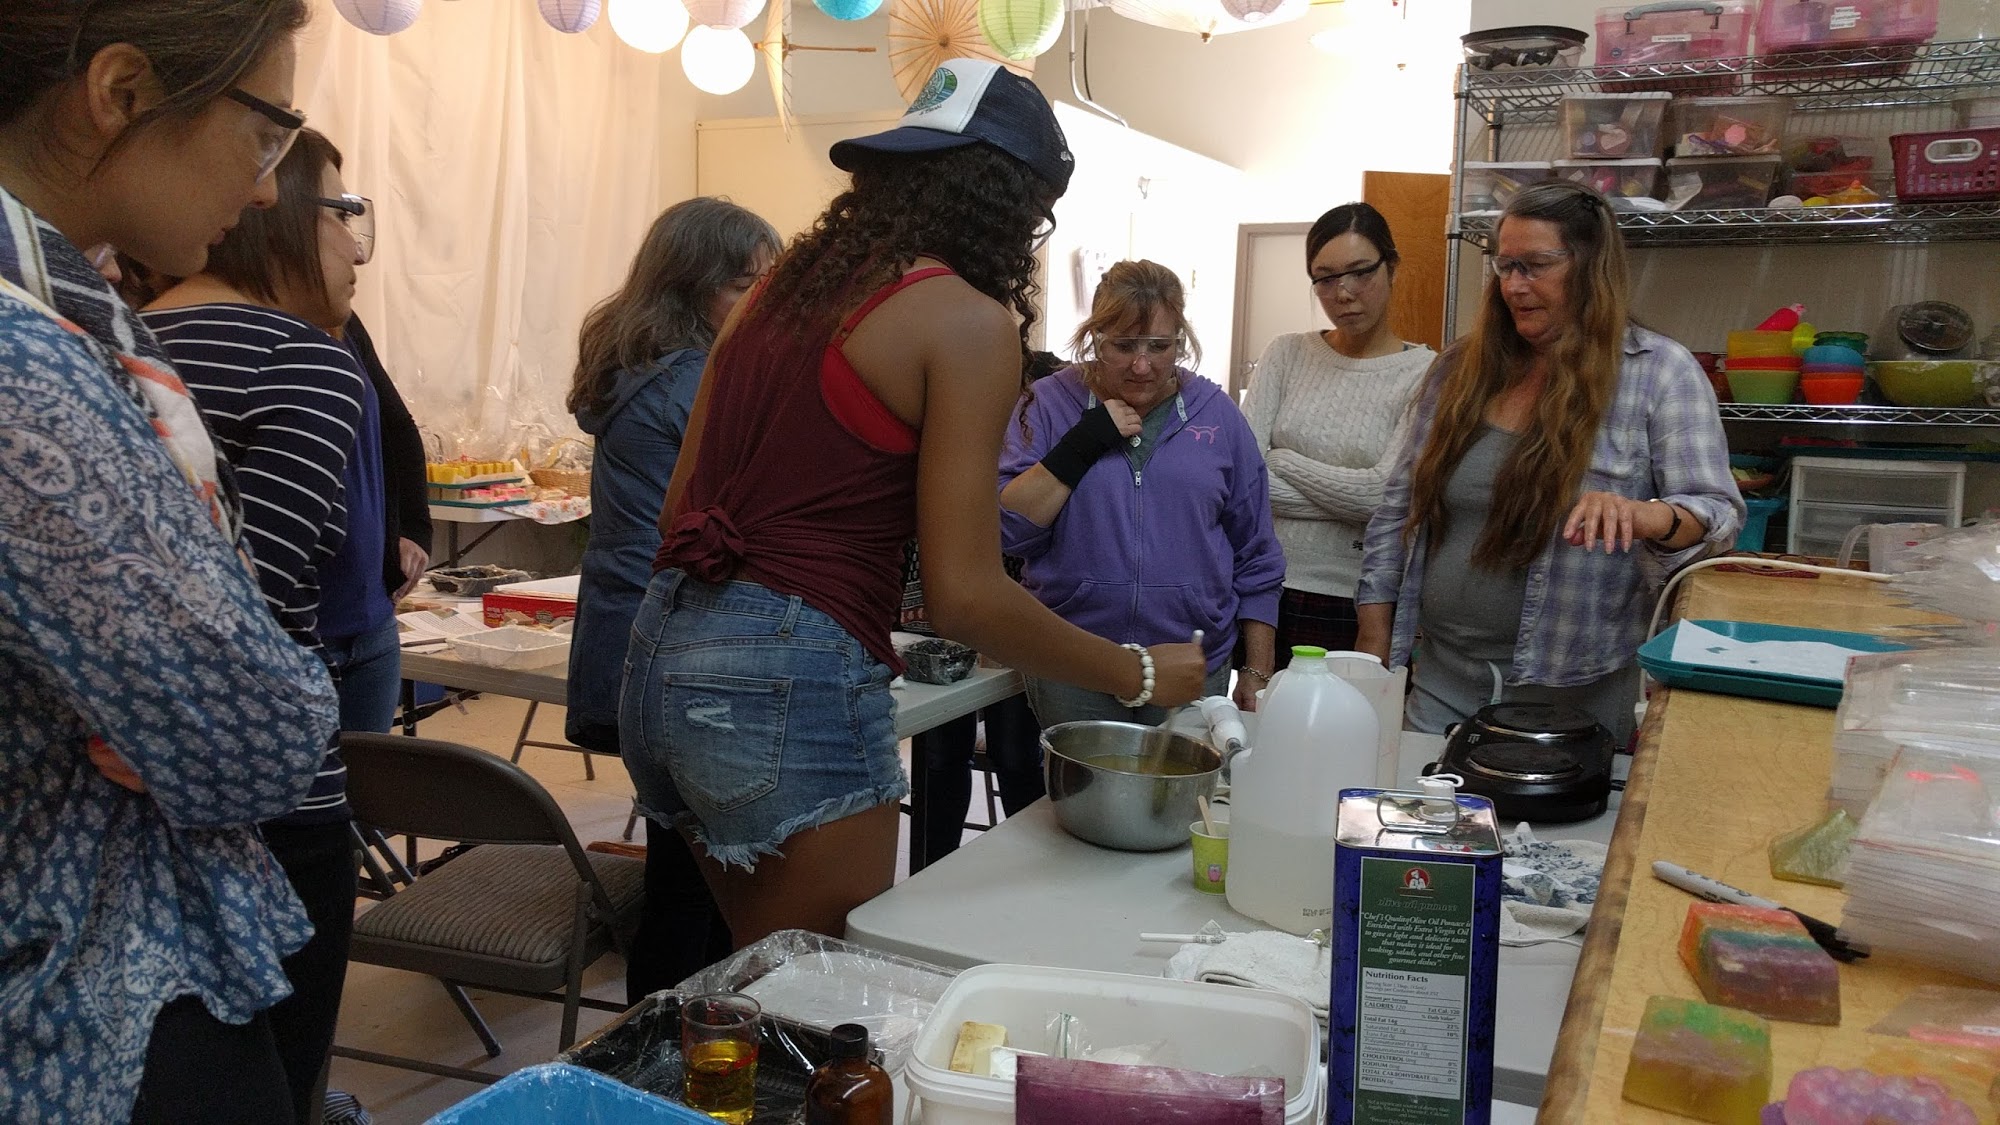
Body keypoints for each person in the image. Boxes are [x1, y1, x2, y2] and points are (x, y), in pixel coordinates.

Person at [621, 58, 1206, 948]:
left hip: (661, 650)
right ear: (1008, 204)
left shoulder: (771, 296)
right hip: (787, 672)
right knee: (822, 991)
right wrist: (1140, 672)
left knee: (758, 970)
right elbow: (965, 594)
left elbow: (678, 514)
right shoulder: (963, 321)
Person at [0, 4, 339, 1122]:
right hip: (85, 992)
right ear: (122, 90)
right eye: (268, 133)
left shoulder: (79, 320)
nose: (265, 190)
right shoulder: (28, 367)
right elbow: (256, 735)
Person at [142, 127, 370, 1125]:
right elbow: (253, 613)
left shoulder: (107, 333)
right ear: (273, 214)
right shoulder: (304, 360)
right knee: (276, 1076)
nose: (357, 248)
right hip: (268, 798)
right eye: (343, 213)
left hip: (121, 782)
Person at [1355, 182, 1743, 744]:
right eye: (1504, 266)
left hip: (1574, 699)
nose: (1514, 286)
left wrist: (1648, 515)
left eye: (1535, 266)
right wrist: (1374, 647)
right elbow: (1398, 510)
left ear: (1589, 266)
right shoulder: (1462, 368)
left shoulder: (1659, 372)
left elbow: (1719, 516)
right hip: (1440, 682)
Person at [564, 196, 781, 999]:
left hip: (634, 636)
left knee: (684, 870)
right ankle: (677, 1039)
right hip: (678, 645)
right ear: (691, 286)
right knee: (700, 887)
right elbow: (748, 513)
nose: (762, 302)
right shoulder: (690, 378)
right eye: (745, 285)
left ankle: (675, 1031)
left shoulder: (641, 367)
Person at [999, 259, 1285, 723]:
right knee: (1079, 775)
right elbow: (1010, 532)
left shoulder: (1217, 415)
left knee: (1185, 774)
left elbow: (1256, 553)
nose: (1142, 365)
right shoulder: (1048, 404)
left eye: (1159, 346)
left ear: (1181, 341)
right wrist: (1083, 442)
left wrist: (1256, 670)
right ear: (1095, 338)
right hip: (1073, 660)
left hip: (1191, 661)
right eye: (1124, 345)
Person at [1239, 202, 1435, 672]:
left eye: (1360, 273)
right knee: (1260, 714)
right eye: (1324, 279)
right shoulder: (1286, 354)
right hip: (1265, 590)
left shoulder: (1426, 372)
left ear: (1391, 267)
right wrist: (1346, 499)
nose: (1343, 293)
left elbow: (1384, 497)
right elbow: (1242, 478)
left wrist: (1283, 461)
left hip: (1363, 601)